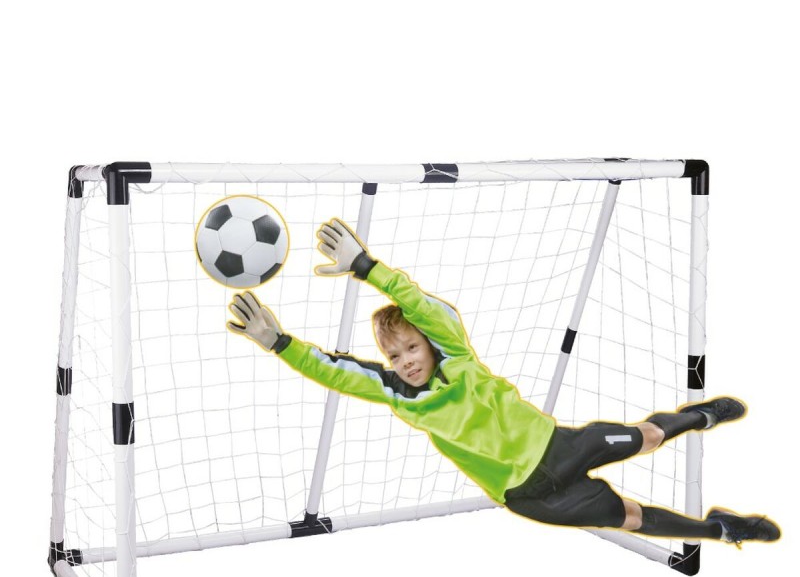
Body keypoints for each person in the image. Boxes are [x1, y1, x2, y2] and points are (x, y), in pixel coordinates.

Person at [226, 218, 780, 548]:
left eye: (412, 348)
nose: (405, 361)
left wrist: (369, 268)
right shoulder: (395, 392)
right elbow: (334, 370)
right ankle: (722, 531)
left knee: (648, 437)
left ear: (430, 343)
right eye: (394, 356)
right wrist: (278, 342)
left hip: (557, 446)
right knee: (630, 517)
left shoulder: (456, 354)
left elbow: (424, 308)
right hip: (526, 496)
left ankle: (699, 416)